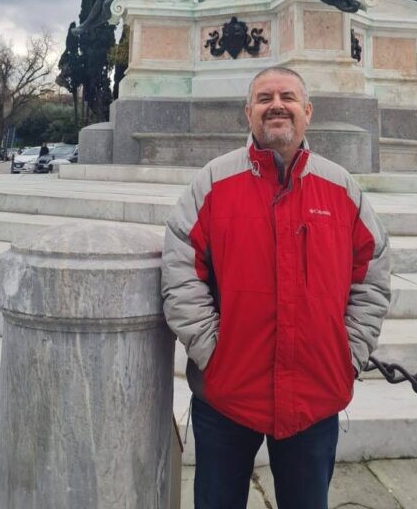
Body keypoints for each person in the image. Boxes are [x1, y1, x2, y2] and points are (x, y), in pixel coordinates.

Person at [161, 67, 391, 509]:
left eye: (287, 96)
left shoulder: (341, 187)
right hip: (227, 390)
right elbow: (180, 267)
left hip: (314, 391)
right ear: (248, 114)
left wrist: (348, 351)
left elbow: (373, 269)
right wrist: (213, 351)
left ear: (307, 111)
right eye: (264, 98)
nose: (276, 105)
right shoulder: (212, 181)